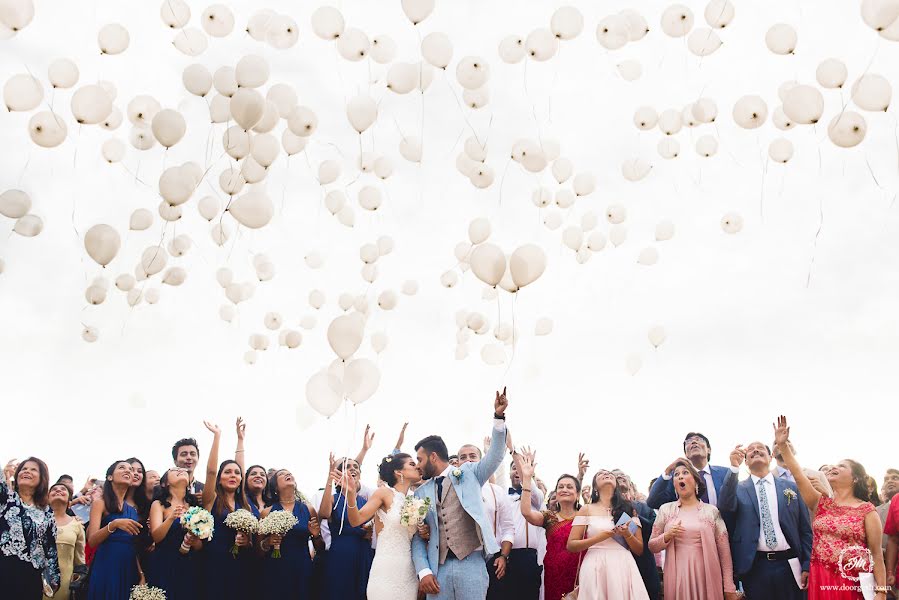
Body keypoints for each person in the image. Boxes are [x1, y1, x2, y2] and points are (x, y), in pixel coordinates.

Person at [773, 415, 888, 599]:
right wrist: (783, 446)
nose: (834, 467)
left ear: (856, 478)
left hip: (851, 581)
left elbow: (876, 555)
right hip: (820, 577)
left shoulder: (867, 510)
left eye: (842, 466)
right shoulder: (821, 503)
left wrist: (881, 591)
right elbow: (798, 474)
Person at [411, 387, 509, 600]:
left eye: (420, 460)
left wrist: (498, 418)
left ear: (433, 457)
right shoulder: (419, 494)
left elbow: (495, 456)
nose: (418, 466)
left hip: (472, 563)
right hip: (438, 568)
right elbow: (417, 537)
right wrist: (424, 571)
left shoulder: (469, 473)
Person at [718, 442, 812, 600]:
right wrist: (734, 468)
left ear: (771, 457)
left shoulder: (791, 488)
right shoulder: (738, 489)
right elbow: (725, 507)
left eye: (760, 448)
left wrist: (807, 564)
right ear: (746, 461)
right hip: (755, 567)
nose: (755, 450)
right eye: (751, 450)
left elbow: (805, 530)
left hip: (790, 565)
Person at [648, 459, 737, 600]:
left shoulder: (712, 511)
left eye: (685, 473)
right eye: (676, 475)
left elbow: (725, 553)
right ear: (675, 485)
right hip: (678, 576)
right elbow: (652, 546)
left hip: (707, 575)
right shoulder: (666, 510)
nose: (680, 476)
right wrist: (666, 536)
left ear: (696, 482)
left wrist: (729, 586)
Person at [342, 453, 425, 600]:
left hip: (409, 570)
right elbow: (356, 520)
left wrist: (425, 532)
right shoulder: (384, 493)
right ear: (398, 472)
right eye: (412, 464)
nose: (417, 466)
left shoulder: (416, 498)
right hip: (386, 567)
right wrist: (350, 495)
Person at [568, 469, 648, 599]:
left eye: (610, 474)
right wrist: (598, 538)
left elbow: (639, 549)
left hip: (623, 565)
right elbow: (571, 545)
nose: (606, 474)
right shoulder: (586, 509)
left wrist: (628, 534)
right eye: (600, 474)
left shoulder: (628, 509)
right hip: (595, 564)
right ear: (594, 487)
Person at [515, 452, 584, 600]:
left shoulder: (585, 516)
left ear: (577, 494)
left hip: (581, 574)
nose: (564, 489)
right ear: (557, 494)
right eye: (561, 487)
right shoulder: (549, 516)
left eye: (569, 487)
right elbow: (527, 513)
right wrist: (527, 479)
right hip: (554, 574)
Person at [200, 420, 254, 600]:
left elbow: (241, 468)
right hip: (215, 563)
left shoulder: (245, 504)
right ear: (219, 478)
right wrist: (217, 436)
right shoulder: (212, 499)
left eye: (236, 473)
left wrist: (241, 440)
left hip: (242, 565)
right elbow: (210, 472)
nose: (233, 475)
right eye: (227, 472)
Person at [456, 443, 515, 600]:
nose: (468, 460)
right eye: (463, 457)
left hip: (492, 560)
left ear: (482, 461)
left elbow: (508, 528)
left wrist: (503, 556)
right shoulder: (452, 490)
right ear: (457, 463)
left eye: (473, 456)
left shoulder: (496, 491)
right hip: (461, 560)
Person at [259, 469, 324, 599]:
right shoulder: (266, 512)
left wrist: (316, 535)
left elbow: (320, 548)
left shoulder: (308, 509)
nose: (288, 474)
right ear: (275, 487)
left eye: (289, 473)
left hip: (302, 567)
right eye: (282, 474)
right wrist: (268, 542)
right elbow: (258, 550)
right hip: (276, 567)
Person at [1, 457, 60, 599]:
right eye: (24, 469)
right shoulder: (6, 498)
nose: (27, 471)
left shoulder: (47, 512)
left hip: (30, 577)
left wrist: (54, 578)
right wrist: (4, 472)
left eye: (33, 469)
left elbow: (50, 547)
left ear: (42, 479)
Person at [317, 454, 375, 600]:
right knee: (340, 591)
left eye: (356, 467)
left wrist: (370, 531)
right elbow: (324, 513)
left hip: (364, 552)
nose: (353, 469)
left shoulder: (366, 501)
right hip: (341, 552)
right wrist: (330, 478)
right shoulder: (333, 498)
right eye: (347, 467)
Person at [86, 460, 143, 599]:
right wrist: (114, 524)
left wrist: (141, 574)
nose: (128, 471)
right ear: (110, 477)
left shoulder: (133, 511)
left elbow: (134, 545)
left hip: (128, 566)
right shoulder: (100, 503)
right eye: (122, 468)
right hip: (107, 564)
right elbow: (92, 541)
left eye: (130, 469)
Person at [147, 468, 203, 599]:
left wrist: (194, 541)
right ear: (165, 483)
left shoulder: (194, 505)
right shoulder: (159, 504)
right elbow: (156, 537)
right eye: (175, 470)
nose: (181, 470)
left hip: (189, 565)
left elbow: (200, 546)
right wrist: (171, 518)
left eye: (184, 471)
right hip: (164, 563)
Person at [504, 446, 546, 600]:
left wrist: (514, 452)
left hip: (529, 558)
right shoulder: (503, 496)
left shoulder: (535, 496)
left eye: (520, 469)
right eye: (514, 468)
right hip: (506, 557)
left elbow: (526, 480)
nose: (517, 471)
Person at [647, 432, 731, 509]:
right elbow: (653, 502)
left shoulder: (725, 473)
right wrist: (667, 471)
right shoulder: (676, 478)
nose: (694, 442)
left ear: (708, 450)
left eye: (698, 440)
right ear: (686, 454)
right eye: (688, 441)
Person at [615, 469, 661, 600]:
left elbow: (656, 529)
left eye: (623, 476)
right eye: (617, 476)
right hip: (618, 569)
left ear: (630, 484)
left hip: (645, 566)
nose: (621, 477)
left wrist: (636, 518)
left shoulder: (645, 507)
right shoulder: (608, 509)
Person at [49, 482, 85, 600]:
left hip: (64, 584)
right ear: (47, 498)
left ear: (70, 502)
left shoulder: (77, 525)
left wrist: (77, 582)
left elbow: (80, 560)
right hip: (36, 580)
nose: (58, 490)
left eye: (63, 489)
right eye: (54, 489)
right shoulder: (37, 521)